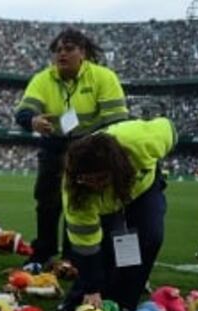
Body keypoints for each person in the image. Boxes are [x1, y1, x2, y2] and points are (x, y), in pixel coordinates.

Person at [15, 28, 128, 271]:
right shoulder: (43, 78)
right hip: (54, 146)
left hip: (90, 147)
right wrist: (33, 121)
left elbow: (117, 122)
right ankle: (42, 253)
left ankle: (73, 257)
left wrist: (98, 153)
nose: (62, 54)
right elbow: (23, 113)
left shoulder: (103, 77)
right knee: (46, 201)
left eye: (69, 49)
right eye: (57, 50)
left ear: (83, 52)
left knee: (77, 202)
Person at [59, 117, 175, 311]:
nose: (95, 185)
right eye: (88, 179)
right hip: (106, 204)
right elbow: (86, 245)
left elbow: (170, 129)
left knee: (149, 236)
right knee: (105, 246)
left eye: (100, 178)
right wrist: (92, 288)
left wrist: (154, 165)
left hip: (142, 188)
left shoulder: (143, 141)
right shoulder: (75, 191)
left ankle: (125, 300)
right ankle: (83, 294)